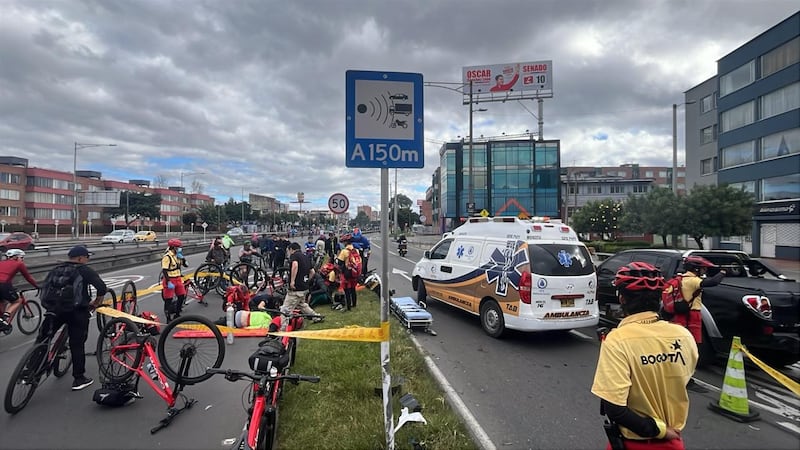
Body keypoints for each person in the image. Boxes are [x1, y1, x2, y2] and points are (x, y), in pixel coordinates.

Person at [591, 262, 698, 450]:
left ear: (622, 299)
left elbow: (614, 409)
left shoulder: (617, 340)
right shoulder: (684, 335)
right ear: (659, 299)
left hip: (634, 442)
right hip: (674, 441)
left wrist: (660, 430)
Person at [39, 245, 107, 391]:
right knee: (77, 344)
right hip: (76, 312)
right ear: (81, 258)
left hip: (53, 310)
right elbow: (102, 287)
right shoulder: (84, 270)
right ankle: (79, 378)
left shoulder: (57, 269)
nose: (87, 260)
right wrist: (96, 302)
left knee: (43, 338)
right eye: (87, 257)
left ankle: (31, 370)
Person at [670, 255, 725, 393]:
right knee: (692, 348)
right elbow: (713, 282)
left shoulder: (682, 278)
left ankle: (679, 375)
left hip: (682, 316)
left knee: (681, 346)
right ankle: (686, 379)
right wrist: (723, 272)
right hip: (691, 317)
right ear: (695, 269)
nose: (704, 271)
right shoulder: (693, 280)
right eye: (702, 269)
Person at [0, 249, 40, 333]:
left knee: (2, 301)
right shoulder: (19, 264)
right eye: (22, 257)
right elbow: (28, 277)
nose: (22, 259)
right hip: (3, 285)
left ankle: (2, 321)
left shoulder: (1, 262)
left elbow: (5, 276)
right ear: (16, 257)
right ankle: (6, 315)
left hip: (4, 285)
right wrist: (37, 286)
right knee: (17, 301)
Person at [281, 242, 322, 322]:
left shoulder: (294, 256)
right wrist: (307, 280)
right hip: (304, 287)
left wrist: (292, 281)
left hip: (296, 288)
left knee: (285, 309)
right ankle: (316, 316)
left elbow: (295, 265)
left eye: (289, 251)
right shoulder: (305, 256)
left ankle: (283, 327)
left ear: (291, 249)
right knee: (302, 305)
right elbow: (312, 271)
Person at [161, 238, 187, 321]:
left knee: (181, 296)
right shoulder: (167, 257)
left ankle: (177, 314)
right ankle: (168, 318)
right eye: (178, 247)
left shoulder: (177, 255)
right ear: (174, 247)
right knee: (168, 299)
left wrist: (183, 258)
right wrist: (168, 282)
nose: (180, 248)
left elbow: (186, 265)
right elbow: (164, 270)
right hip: (170, 279)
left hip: (178, 278)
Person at [336, 234, 362, 311]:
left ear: (346, 242)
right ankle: (354, 304)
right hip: (354, 273)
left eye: (344, 242)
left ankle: (348, 307)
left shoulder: (344, 251)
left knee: (347, 290)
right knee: (353, 289)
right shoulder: (356, 250)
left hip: (346, 274)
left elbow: (339, 263)